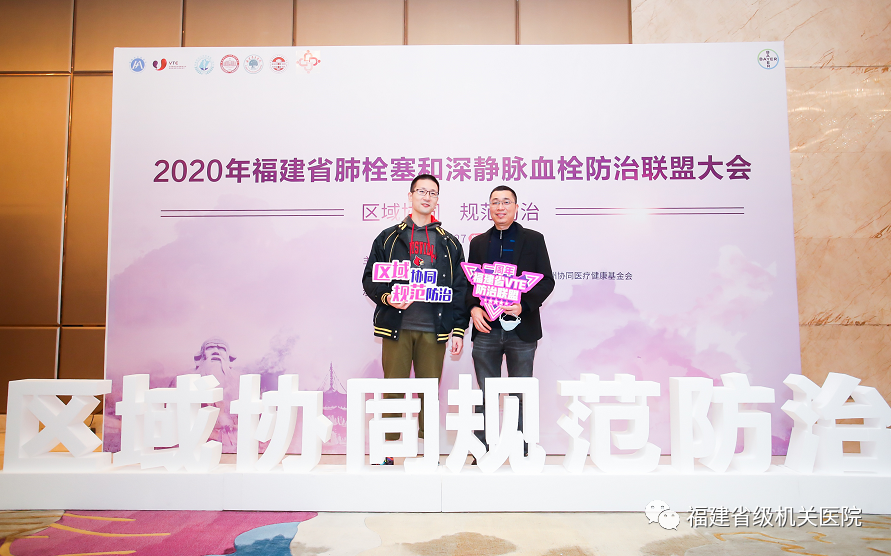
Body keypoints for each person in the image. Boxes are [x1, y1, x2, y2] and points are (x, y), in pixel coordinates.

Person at [362, 174, 468, 464]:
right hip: (397, 327)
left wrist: (458, 329)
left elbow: (460, 290)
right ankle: (386, 451)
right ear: (410, 196)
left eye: (432, 193)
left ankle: (427, 451)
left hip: (434, 330)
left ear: (437, 200)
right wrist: (388, 297)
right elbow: (370, 278)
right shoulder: (388, 237)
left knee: (429, 393)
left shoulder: (449, 243)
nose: (426, 196)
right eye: (421, 191)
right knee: (393, 390)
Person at [466, 185, 555, 456]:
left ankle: (522, 451)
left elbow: (547, 281)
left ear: (516, 207)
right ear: (489, 208)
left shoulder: (534, 239)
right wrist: (473, 308)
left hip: (522, 330)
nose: (500, 207)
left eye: (506, 202)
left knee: (520, 393)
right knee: (485, 393)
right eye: (495, 202)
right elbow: (470, 284)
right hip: (486, 330)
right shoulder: (478, 243)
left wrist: (523, 305)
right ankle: (482, 451)